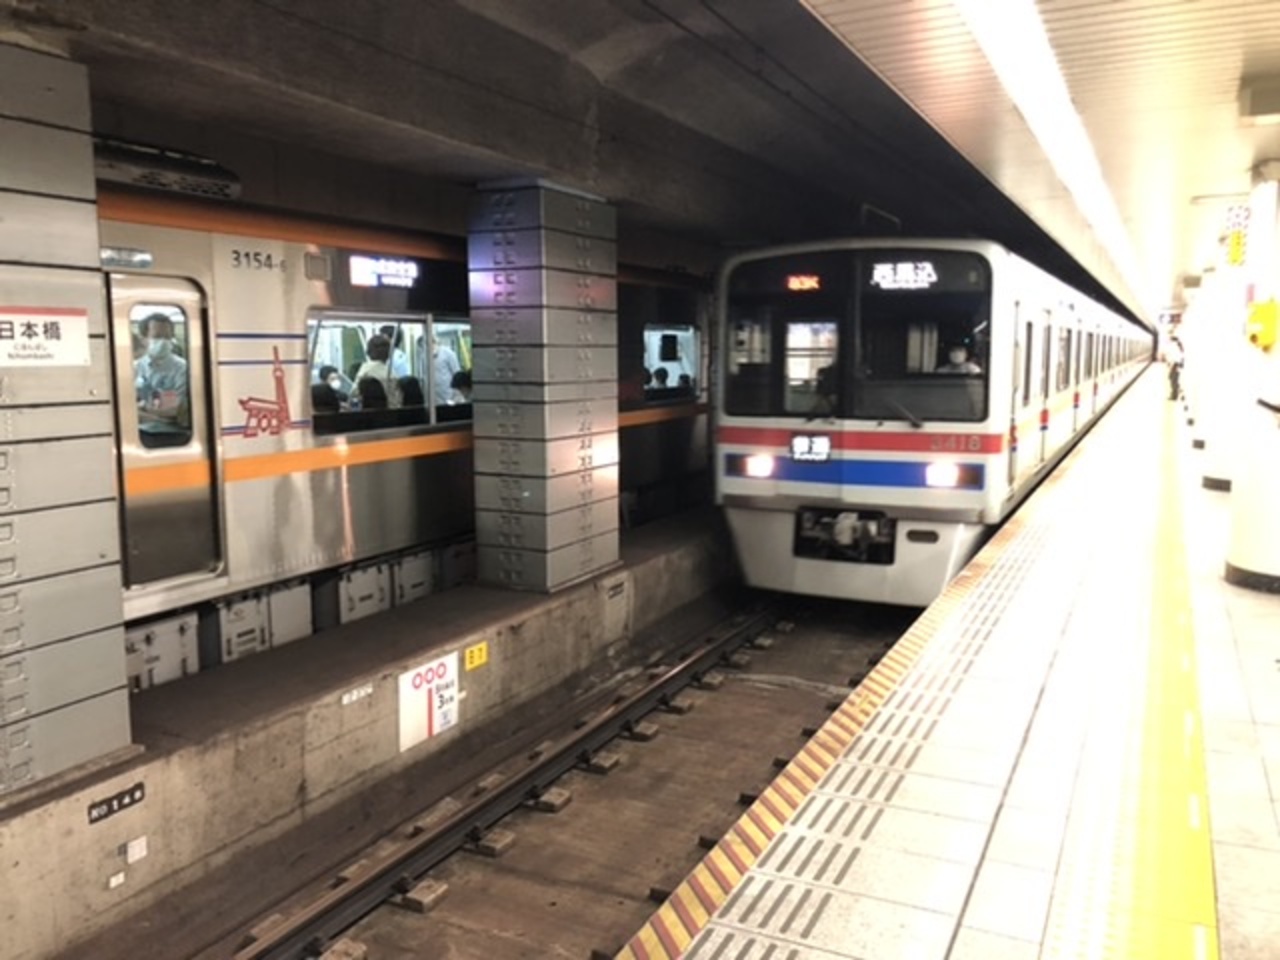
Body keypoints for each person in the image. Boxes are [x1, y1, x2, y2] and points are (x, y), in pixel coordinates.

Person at [135, 313, 190, 437]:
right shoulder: (134, 368)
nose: (163, 342)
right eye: (157, 337)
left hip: (173, 434)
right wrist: (158, 415)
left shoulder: (182, 368)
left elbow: (175, 410)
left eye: (167, 337)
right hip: (139, 433)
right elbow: (127, 410)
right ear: (143, 339)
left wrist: (143, 408)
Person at [354, 334, 401, 407]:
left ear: (369, 351)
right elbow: (397, 400)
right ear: (388, 353)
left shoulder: (365, 371)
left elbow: (354, 394)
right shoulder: (392, 374)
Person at [432, 337, 462, 405]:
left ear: (435, 342)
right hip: (434, 398)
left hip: (449, 396)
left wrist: (457, 397)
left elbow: (457, 374)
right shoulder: (425, 356)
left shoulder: (448, 353)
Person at [1166, 336, 1184, 401]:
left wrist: (1171, 366)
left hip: (1175, 365)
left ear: (1173, 341)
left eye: (1169, 340)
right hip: (1176, 365)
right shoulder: (1178, 346)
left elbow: (1175, 357)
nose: (1168, 341)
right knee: (1173, 379)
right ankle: (1180, 393)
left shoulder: (1174, 346)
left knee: (1173, 380)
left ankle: (1174, 396)